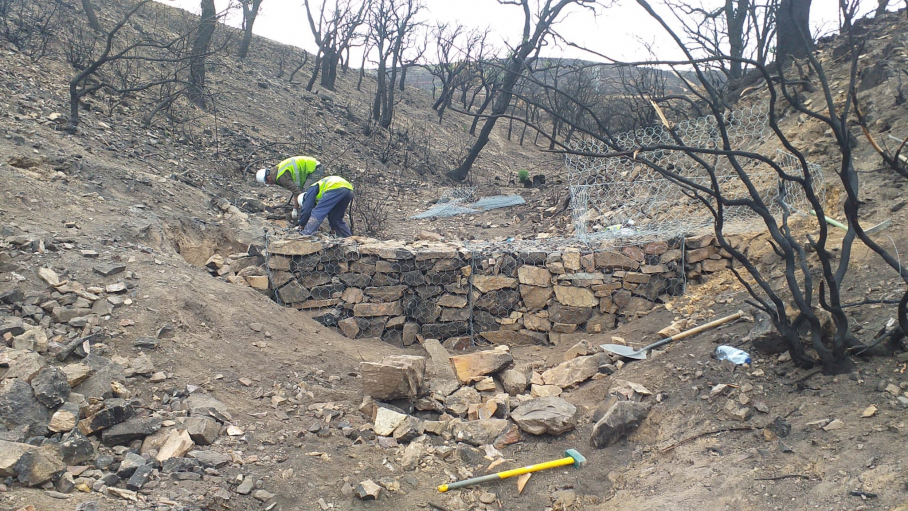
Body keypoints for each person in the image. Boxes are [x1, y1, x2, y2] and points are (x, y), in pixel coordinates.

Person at [256, 156, 323, 219]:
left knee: (306, 194)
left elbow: (297, 192)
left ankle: (311, 215)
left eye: (268, 183)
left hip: (314, 168)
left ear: (268, 177)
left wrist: (295, 209)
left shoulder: (282, 177)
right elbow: (295, 189)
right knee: (305, 194)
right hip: (310, 166)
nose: (270, 184)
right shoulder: (276, 171)